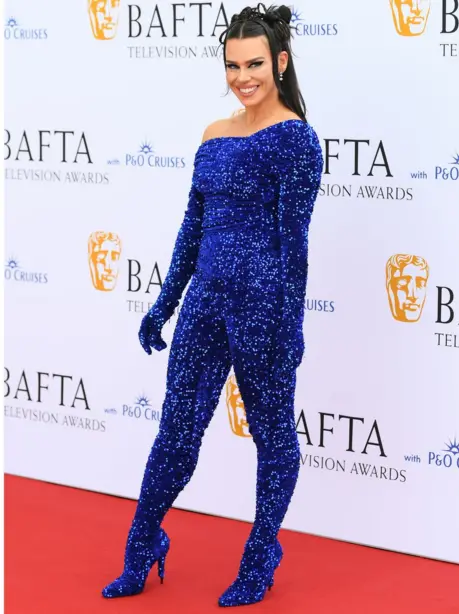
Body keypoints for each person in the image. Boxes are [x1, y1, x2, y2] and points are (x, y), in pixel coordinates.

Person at [102, 3, 323, 607]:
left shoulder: (297, 141)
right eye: (232, 65)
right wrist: (165, 303)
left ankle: (261, 556)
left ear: (278, 62)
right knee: (176, 434)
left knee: (274, 437)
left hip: (263, 309)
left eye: (254, 64)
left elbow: (294, 245)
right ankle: (143, 546)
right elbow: (191, 229)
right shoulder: (213, 135)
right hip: (204, 305)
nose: (242, 76)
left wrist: (292, 324)